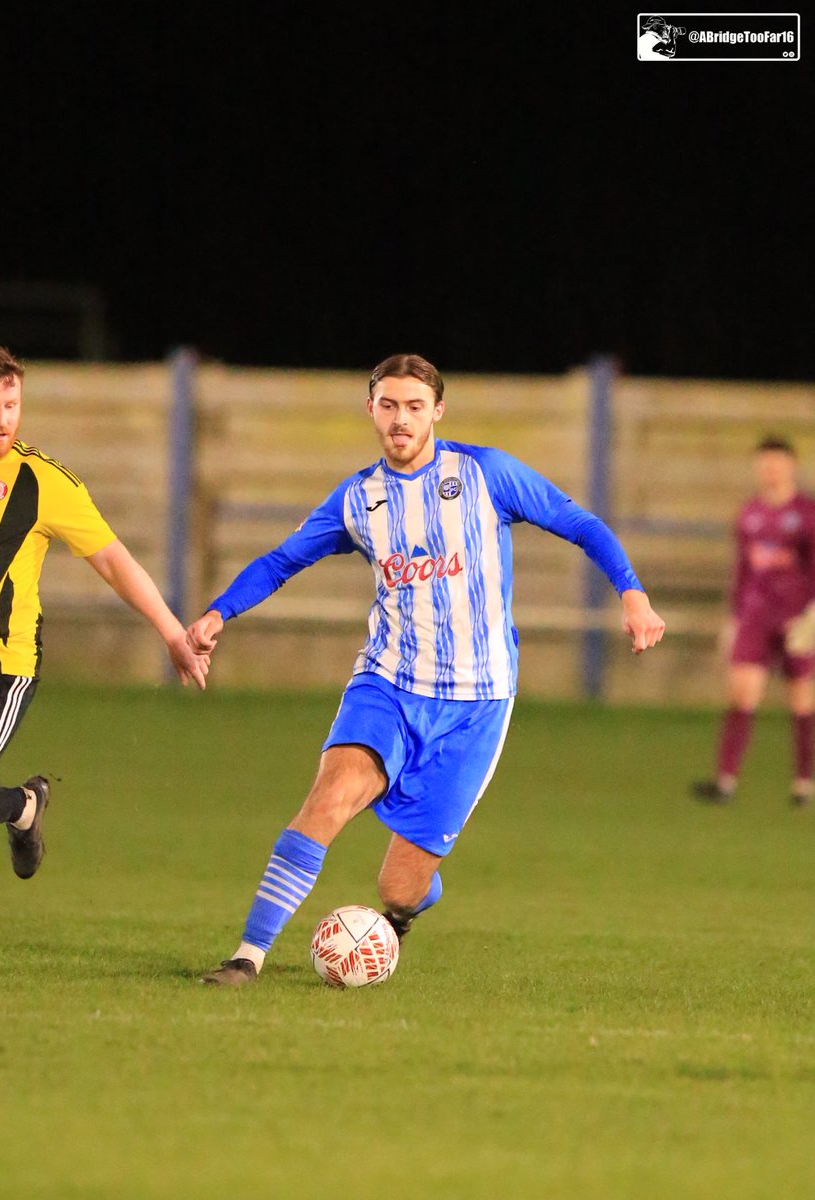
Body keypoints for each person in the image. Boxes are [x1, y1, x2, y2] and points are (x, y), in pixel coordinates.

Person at [187, 353, 665, 986]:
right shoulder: (358, 499)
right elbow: (281, 561)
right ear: (371, 410)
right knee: (327, 801)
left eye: (415, 406)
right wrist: (220, 613)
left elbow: (579, 522)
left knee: (400, 887)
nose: (401, 419)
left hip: (477, 704)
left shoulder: (486, 473)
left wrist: (631, 592)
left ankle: (405, 911)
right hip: (387, 683)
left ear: (437, 411)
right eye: (388, 405)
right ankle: (247, 957)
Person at [0, 344, 209, 934]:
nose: (1, 419)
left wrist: (173, 633)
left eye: (11, 405)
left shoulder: (41, 481)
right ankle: (23, 806)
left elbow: (112, 560)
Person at [692, 436, 815, 807]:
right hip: (756, 617)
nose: (770, 470)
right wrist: (734, 619)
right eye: (763, 463)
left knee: (801, 699)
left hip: (798, 619)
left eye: (776, 462)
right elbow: (743, 572)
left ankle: (803, 784)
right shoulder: (749, 514)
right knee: (742, 694)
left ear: (791, 466)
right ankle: (725, 782)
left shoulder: (807, 514)